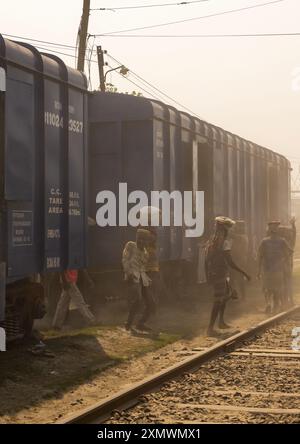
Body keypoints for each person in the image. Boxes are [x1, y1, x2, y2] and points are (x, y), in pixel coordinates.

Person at [205, 216, 251, 336]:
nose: (230, 230)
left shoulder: (212, 240)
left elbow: (207, 259)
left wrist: (207, 273)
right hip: (220, 273)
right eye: (228, 228)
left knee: (225, 295)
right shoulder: (224, 242)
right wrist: (244, 272)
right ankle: (210, 328)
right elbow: (230, 261)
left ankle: (221, 322)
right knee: (218, 300)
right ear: (225, 229)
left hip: (216, 272)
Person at [122, 228, 155, 332]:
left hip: (142, 278)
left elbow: (142, 268)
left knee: (151, 303)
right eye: (139, 238)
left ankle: (141, 323)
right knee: (138, 300)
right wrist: (129, 273)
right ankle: (128, 323)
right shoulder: (130, 245)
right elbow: (125, 259)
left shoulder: (145, 253)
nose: (141, 241)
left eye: (144, 239)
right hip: (132, 277)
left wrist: (147, 278)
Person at [258, 221, 293, 313]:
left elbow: (260, 256)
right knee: (278, 288)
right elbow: (290, 251)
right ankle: (278, 305)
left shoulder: (264, 241)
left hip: (267, 269)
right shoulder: (282, 241)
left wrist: (258, 270)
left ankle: (268, 304)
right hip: (278, 269)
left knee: (266, 288)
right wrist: (284, 259)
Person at [230, 220, 249, 299]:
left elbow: (231, 235)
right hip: (237, 260)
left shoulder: (242, 237)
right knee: (233, 278)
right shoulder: (242, 236)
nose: (237, 228)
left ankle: (242, 297)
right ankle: (236, 295)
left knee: (239, 279)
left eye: (238, 226)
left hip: (239, 260)